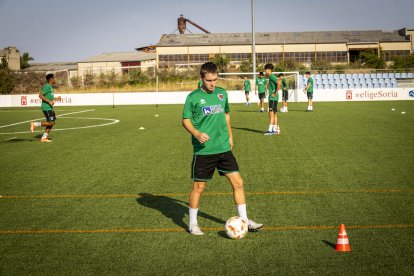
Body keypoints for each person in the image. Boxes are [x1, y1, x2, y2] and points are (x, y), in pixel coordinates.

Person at [182, 62, 263, 236]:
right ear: (201, 78)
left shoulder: (222, 94)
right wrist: (196, 133)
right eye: (209, 80)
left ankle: (245, 221)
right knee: (199, 187)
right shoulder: (193, 97)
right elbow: (185, 120)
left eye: (215, 80)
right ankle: (193, 224)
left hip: (223, 148)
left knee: (238, 183)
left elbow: (226, 115)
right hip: (204, 150)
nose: (213, 84)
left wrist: (231, 136)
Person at [30, 74, 61, 142]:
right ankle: (35, 124)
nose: (55, 80)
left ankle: (44, 137)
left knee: (51, 123)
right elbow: (40, 95)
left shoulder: (50, 87)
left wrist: (56, 99)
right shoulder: (47, 86)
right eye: (54, 78)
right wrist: (49, 102)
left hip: (50, 108)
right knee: (52, 122)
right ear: (51, 79)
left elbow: (50, 99)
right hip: (46, 108)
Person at [264, 64, 281, 135]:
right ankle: (275, 129)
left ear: (269, 70)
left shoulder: (272, 76)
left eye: (265, 70)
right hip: (273, 98)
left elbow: (279, 83)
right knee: (274, 113)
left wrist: (275, 92)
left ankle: (270, 130)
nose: (265, 71)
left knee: (271, 113)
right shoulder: (271, 77)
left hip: (273, 98)